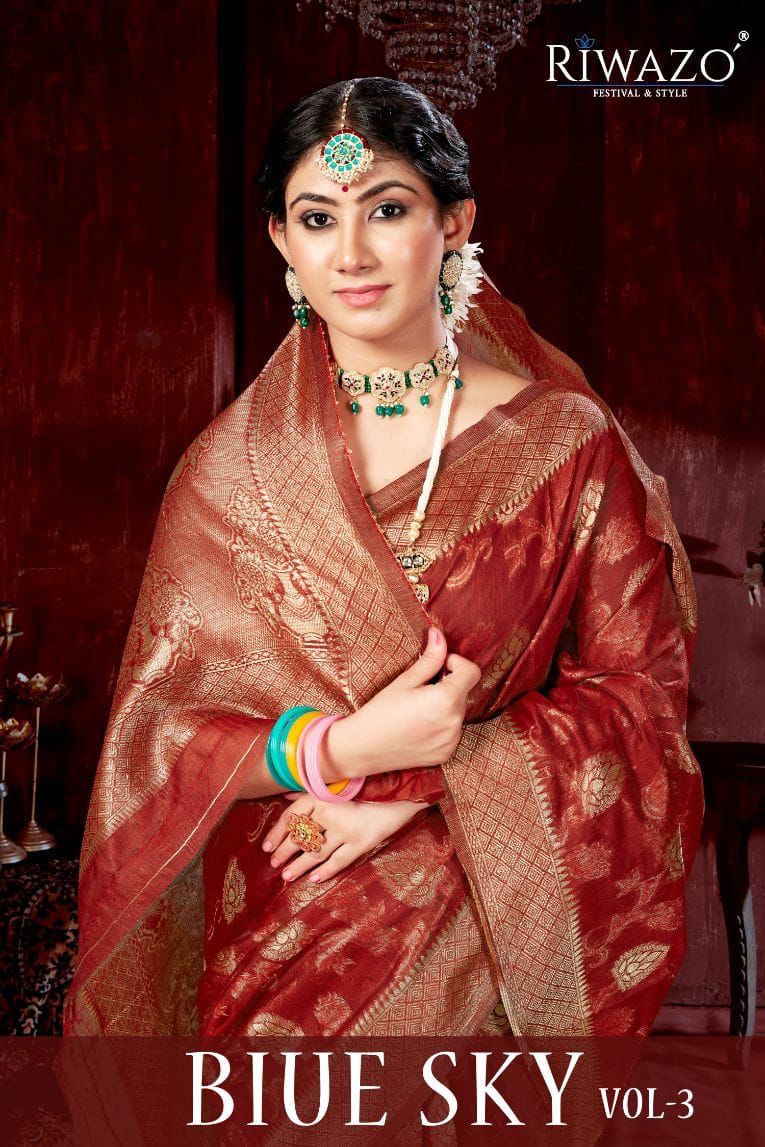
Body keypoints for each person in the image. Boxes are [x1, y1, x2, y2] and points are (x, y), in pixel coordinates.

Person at [64, 77, 703, 1049]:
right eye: (318, 218)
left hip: (484, 937)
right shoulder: (232, 473)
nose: (351, 253)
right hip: (281, 925)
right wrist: (340, 752)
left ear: (456, 223)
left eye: (389, 209)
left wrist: (419, 787)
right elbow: (158, 742)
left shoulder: (564, 442)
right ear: (282, 241)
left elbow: (640, 695)